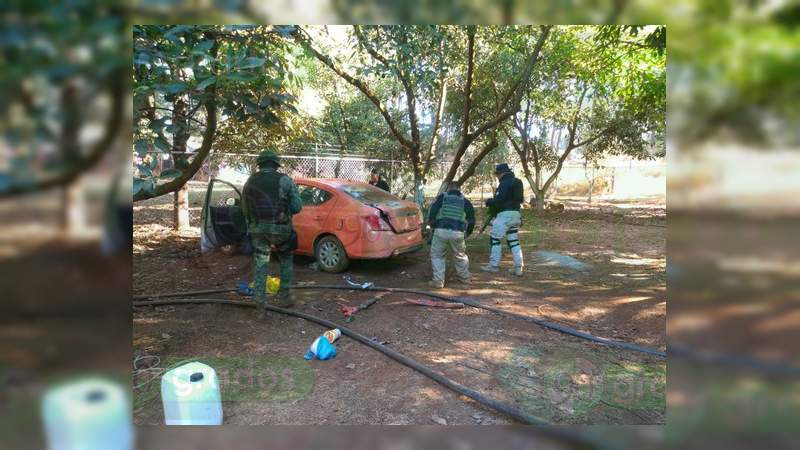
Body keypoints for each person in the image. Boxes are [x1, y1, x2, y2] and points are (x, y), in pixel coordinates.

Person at [241, 150, 303, 317]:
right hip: (281, 229)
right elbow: (297, 207)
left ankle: (260, 304)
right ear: (276, 165)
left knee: (261, 263)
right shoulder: (285, 180)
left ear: (260, 164)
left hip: (258, 230)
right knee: (285, 259)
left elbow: (245, 209)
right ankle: (285, 297)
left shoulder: (250, 181)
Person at [427, 181, 475, 289]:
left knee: (437, 255)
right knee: (460, 255)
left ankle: (438, 281)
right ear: (459, 189)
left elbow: (432, 212)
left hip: (441, 230)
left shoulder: (441, 198)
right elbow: (471, 220)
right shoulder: (465, 201)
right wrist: (468, 232)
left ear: (448, 188)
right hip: (458, 232)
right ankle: (464, 278)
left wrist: (432, 224)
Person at [481, 163, 525, 276]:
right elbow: (520, 199)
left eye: (498, 174)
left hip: (504, 215)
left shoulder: (504, 183)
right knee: (514, 241)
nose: (497, 176)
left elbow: (499, 201)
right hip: (516, 214)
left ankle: (493, 265)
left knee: (495, 239)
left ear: (502, 173)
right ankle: (518, 267)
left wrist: (489, 202)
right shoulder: (518, 182)